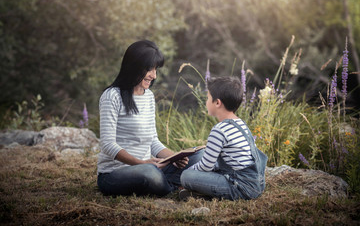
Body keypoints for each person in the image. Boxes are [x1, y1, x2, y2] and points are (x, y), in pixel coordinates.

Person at [97, 40, 203, 197]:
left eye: (155, 69)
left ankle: (169, 185)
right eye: (149, 69)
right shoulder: (112, 96)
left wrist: (174, 157)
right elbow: (107, 144)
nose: (153, 75)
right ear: (133, 67)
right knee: (149, 173)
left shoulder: (148, 96)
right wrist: (141, 163)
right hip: (115, 174)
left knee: (199, 156)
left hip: (150, 166)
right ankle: (175, 189)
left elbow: (153, 141)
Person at [180, 76, 268, 200]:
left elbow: (206, 166)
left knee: (186, 176)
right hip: (256, 184)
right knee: (206, 159)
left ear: (217, 103)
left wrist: (191, 170)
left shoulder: (219, 130)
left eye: (208, 98)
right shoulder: (241, 123)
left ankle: (208, 195)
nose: (206, 102)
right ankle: (201, 194)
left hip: (240, 187)